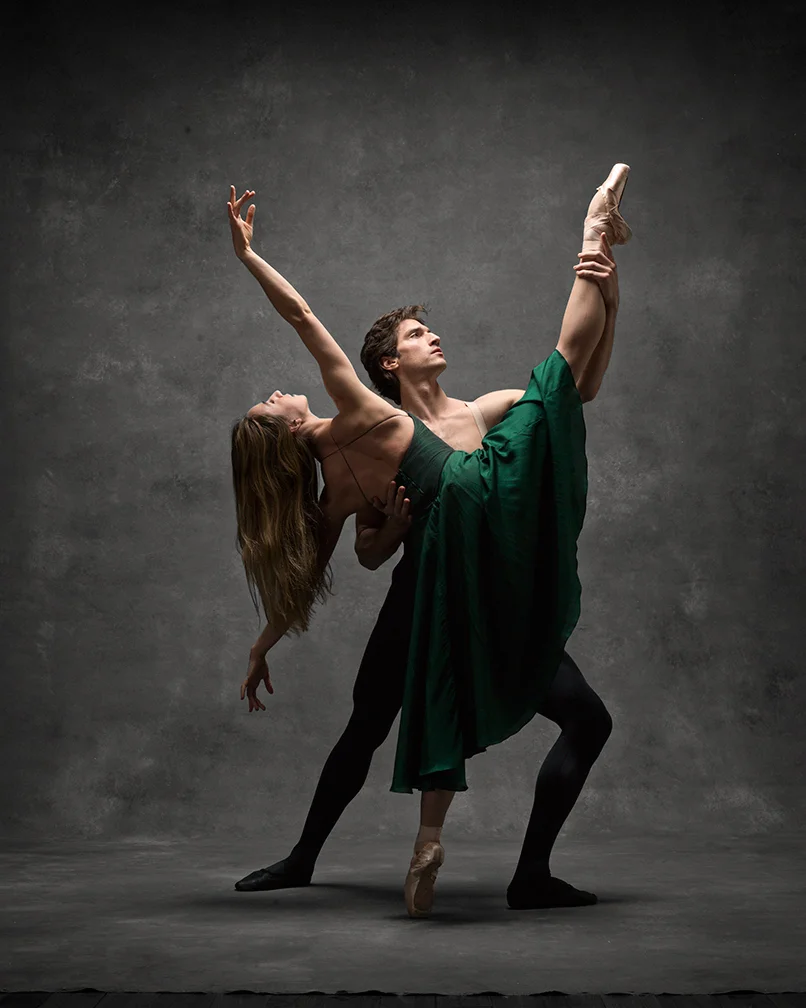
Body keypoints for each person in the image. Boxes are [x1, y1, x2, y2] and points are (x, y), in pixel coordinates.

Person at [227, 165, 631, 916]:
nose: (278, 391)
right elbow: (302, 315)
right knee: (369, 726)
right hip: (451, 583)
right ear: (283, 431)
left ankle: (320, 859)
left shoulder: (341, 486)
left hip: (467, 587)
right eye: (270, 402)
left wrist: (261, 647)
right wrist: (249, 256)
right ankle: (323, 858)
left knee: (371, 727)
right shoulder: (359, 415)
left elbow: (308, 576)